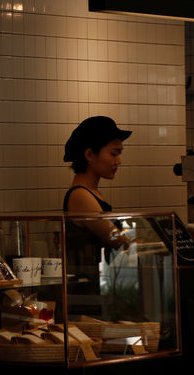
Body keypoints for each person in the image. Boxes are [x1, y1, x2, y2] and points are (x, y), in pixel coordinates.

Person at [62, 116, 132, 286]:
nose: (119, 161)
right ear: (90, 154)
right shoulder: (81, 196)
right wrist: (158, 245)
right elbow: (116, 239)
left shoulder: (92, 193)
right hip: (85, 290)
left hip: (98, 283)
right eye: (114, 153)